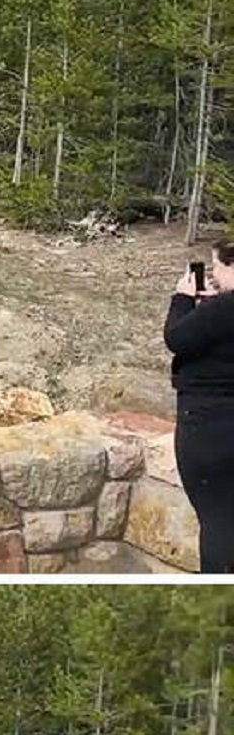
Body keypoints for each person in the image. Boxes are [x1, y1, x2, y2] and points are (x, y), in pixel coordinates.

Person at [164, 242, 234, 572]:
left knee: (218, 518)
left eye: (218, 268)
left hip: (208, 425)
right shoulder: (220, 311)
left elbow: (177, 339)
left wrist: (182, 299)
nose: (215, 277)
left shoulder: (222, 310)